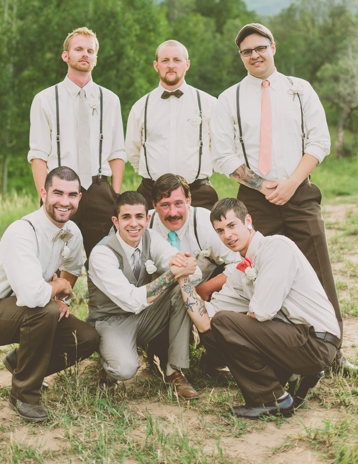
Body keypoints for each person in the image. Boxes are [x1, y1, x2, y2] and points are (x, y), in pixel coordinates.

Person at [210, 22, 358, 374]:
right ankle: (277, 352)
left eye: (260, 47)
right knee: (259, 274)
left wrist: (292, 182)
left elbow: (319, 141)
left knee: (319, 271)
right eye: (247, 51)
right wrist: (263, 186)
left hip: (300, 191)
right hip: (255, 198)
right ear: (241, 57)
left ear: (273, 47)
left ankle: (334, 355)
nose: (254, 55)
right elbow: (223, 156)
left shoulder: (299, 89)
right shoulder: (228, 98)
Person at [175, 198, 340, 418]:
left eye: (232, 226)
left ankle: (272, 400)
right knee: (216, 332)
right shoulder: (239, 272)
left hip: (317, 341)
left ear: (248, 221)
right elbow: (205, 322)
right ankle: (293, 375)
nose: (228, 236)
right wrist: (183, 278)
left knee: (226, 323)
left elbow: (263, 312)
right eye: (220, 231)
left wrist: (241, 335)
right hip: (292, 338)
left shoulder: (276, 247)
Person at [0, 166, 100, 422]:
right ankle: (24, 395)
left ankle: (21, 363)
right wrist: (58, 288)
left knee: (86, 338)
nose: (64, 201)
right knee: (44, 310)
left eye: (72, 195)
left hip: (32, 307)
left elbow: (72, 267)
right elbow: (32, 296)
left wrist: (61, 297)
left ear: (79, 198)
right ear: (44, 193)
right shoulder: (23, 231)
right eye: (57, 193)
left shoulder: (72, 232)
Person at [87, 191, 199, 399]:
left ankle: (174, 370)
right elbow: (131, 300)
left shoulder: (151, 238)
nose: (133, 223)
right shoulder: (102, 253)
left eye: (139, 216)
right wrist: (173, 273)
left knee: (179, 290)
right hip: (111, 320)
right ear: (115, 221)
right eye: (126, 217)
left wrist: (185, 265)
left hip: (146, 315)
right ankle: (108, 363)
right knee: (125, 369)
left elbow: (189, 270)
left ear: (147, 219)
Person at [28, 27, 125, 259]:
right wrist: (45, 196)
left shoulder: (110, 99)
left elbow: (117, 153)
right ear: (66, 55)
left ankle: (100, 296)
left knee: (103, 257)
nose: (85, 54)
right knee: (54, 256)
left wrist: (115, 194)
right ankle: (54, 295)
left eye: (90, 51)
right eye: (79, 49)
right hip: (60, 189)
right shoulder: (45, 99)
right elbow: (38, 154)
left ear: (96, 58)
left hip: (100, 188)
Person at [143, 173, 241, 374]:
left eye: (179, 203)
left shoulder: (205, 222)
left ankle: (214, 356)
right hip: (162, 299)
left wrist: (205, 289)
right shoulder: (143, 225)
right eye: (165, 205)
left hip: (206, 292)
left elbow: (240, 262)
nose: (173, 212)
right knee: (158, 365)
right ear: (153, 204)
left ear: (189, 200)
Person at [126, 40, 218, 209]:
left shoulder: (209, 104)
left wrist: (202, 171)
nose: (171, 65)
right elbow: (133, 150)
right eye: (165, 60)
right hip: (151, 193)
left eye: (177, 60)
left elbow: (219, 146)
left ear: (187, 64)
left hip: (198, 193)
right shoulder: (141, 106)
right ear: (156, 65)